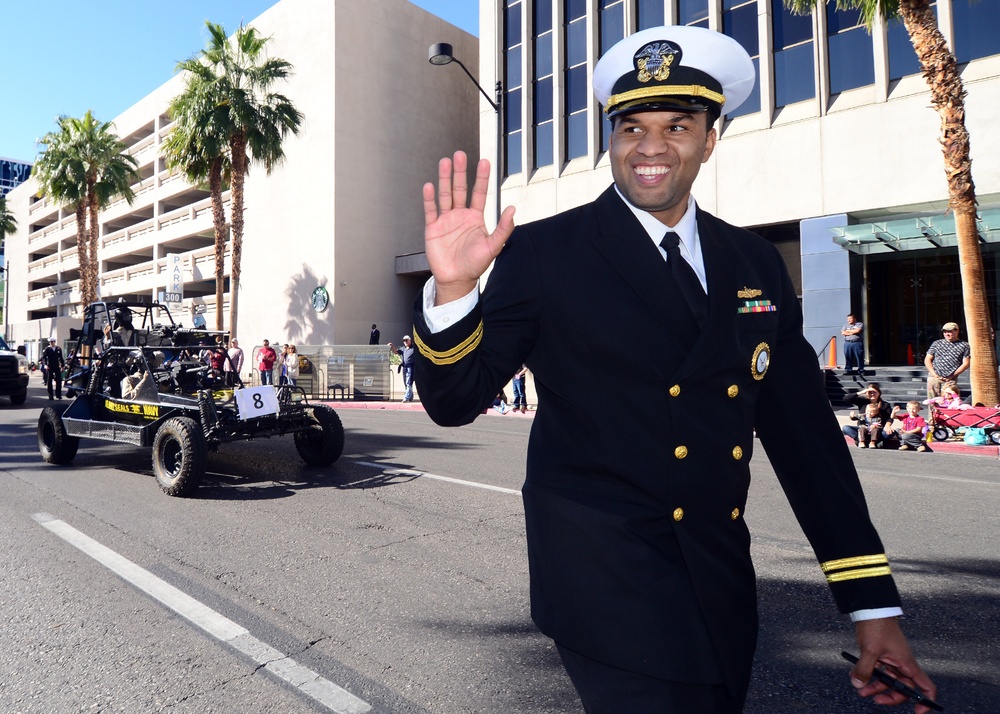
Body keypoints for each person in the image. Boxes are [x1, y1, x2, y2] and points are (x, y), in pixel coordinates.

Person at [411, 26, 935, 713]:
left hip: (717, 581)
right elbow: (454, 400)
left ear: (710, 138)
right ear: (611, 138)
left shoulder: (753, 263)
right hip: (603, 584)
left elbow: (807, 440)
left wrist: (872, 608)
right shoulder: (545, 254)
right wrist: (454, 292)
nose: (651, 146)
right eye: (632, 126)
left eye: (678, 125)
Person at [842, 383, 897, 449]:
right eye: (870, 392)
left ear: (879, 393)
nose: (872, 394)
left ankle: (875, 441)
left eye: (874, 392)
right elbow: (846, 399)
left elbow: (889, 417)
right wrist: (862, 392)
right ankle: (861, 440)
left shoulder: (885, 405)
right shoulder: (863, 402)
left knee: (892, 432)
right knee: (846, 428)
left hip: (877, 429)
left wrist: (888, 425)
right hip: (863, 429)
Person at [924, 322, 970, 399]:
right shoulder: (936, 343)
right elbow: (927, 359)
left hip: (950, 379)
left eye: (950, 331)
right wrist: (934, 374)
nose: (947, 334)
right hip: (934, 377)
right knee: (933, 401)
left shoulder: (964, 345)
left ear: (957, 331)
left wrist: (953, 375)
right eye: (945, 332)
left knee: (949, 400)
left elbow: (966, 363)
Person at [388, 336, 416, 402]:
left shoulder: (414, 349)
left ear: (410, 340)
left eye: (406, 340)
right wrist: (392, 346)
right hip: (404, 367)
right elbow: (395, 352)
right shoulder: (403, 349)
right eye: (404, 340)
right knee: (406, 383)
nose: (405, 342)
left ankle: (406, 397)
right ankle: (410, 397)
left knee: (408, 382)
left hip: (410, 367)